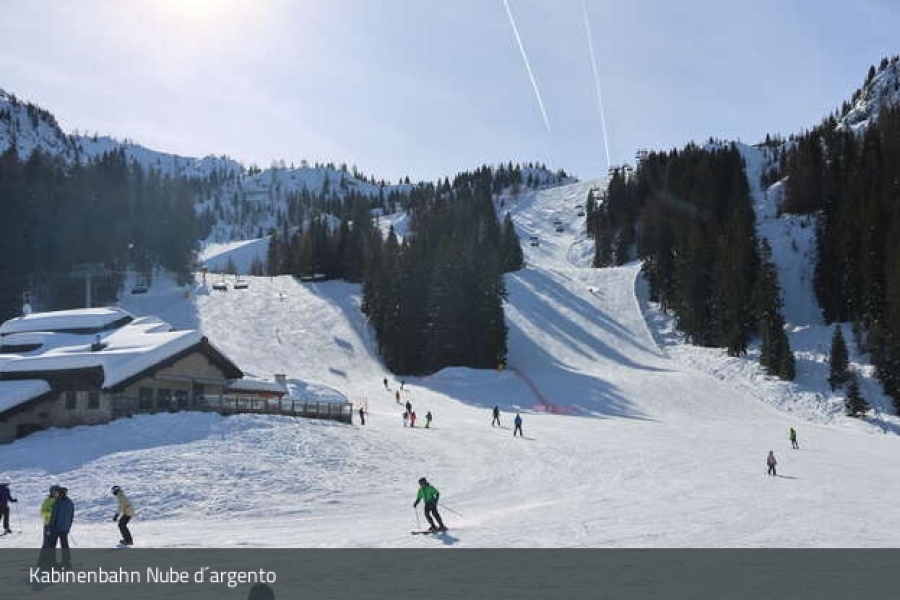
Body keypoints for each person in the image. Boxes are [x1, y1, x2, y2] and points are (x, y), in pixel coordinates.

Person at [48, 486, 74, 568]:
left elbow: (54, 516)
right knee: (64, 545)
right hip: (65, 528)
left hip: (56, 528)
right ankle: (67, 562)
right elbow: (71, 516)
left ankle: (51, 562)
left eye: (57, 493)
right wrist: (69, 526)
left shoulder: (58, 503)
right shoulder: (70, 502)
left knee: (52, 545)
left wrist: (50, 526)